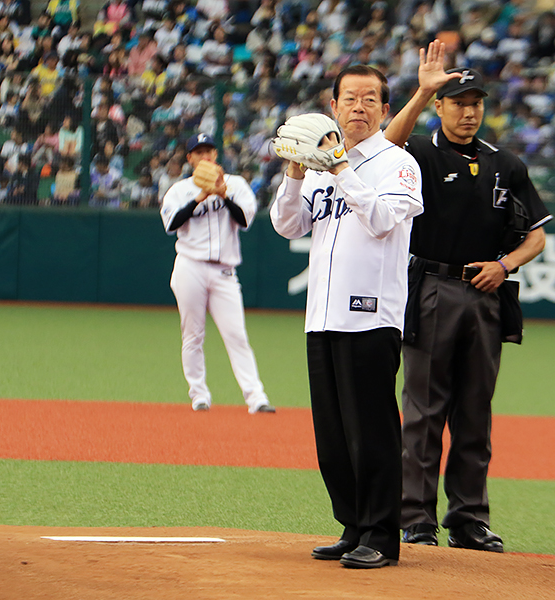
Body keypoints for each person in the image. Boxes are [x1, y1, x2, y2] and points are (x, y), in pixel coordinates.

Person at [384, 42, 552, 552]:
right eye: (458, 101)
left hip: (486, 296)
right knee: (424, 410)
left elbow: (537, 235)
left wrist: (506, 265)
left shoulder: (507, 164)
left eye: (476, 102)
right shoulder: (418, 154)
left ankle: (469, 519)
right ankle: (416, 519)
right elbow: (383, 148)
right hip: (431, 287)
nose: (469, 110)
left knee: (475, 412)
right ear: (440, 106)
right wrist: (422, 88)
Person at [269, 65, 424, 569]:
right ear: (332, 107)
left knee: (372, 431)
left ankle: (381, 535)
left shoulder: (397, 164)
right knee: (333, 436)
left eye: (369, 99)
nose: (358, 106)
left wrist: (340, 167)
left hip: (372, 317)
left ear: (384, 110)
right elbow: (287, 224)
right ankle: (353, 525)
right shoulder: (315, 168)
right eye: (349, 98)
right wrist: (296, 172)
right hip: (323, 317)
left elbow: (381, 221)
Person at [160, 133, 275, 415]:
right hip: (190, 266)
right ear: (190, 159)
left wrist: (223, 194)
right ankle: (199, 394)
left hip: (224, 270)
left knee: (236, 334)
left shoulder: (235, 184)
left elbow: (245, 219)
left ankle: (256, 397)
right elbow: (172, 223)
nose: (205, 157)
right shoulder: (179, 190)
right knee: (193, 335)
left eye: (209, 151)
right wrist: (201, 196)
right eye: (198, 152)